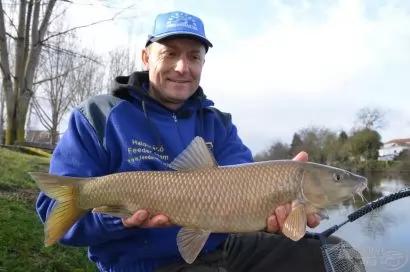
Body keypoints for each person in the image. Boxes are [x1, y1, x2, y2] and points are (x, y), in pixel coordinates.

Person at [35, 10, 366, 272]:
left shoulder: (217, 123)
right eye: (170, 54)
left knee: (335, 256)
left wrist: (276, 205)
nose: (182, 67)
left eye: (194, 57)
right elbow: (55, 216)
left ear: (203, 63)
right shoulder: (98, 115)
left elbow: (243, 179)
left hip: (222, 247)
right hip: (143, 266)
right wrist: (117, 215)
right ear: (147, 57)